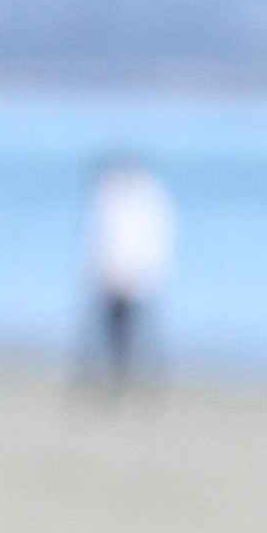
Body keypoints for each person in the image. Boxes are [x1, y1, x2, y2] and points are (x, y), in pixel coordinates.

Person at [80, 153, 171, 397]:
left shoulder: (142, 198)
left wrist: (133, 274)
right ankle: (114, 381)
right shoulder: (111, 197)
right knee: (109, 335)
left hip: (132, 280)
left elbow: (146, 242)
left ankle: (136, 383)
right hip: (111, 280)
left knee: (135, 335)